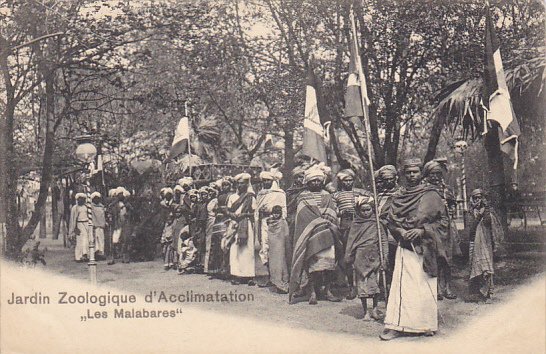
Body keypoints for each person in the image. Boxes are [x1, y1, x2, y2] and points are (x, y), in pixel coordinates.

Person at [380, 158, 447, 341]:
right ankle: (397, 325)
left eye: (415, 172)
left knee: (424, 285)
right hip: (405, 246)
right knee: (403, 285)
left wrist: (422, 230)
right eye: (408, 172)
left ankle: (425, 324)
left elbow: (443, 222)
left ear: (421, 173)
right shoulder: (398, 196)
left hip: (425, 246)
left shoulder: (431, 194)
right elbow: (389, 220)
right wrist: (400, 231)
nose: (411, 175)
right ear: (403, 174)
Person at [289, 165, 342, 305]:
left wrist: (327, 223)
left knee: (329, 264)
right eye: (312, 181)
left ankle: (327, 290)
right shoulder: (303, 196)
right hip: (311, 235)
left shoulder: (327, 196)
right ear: (308, 182)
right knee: (312, 265)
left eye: (318, 181)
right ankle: (312, 292)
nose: (316, 183)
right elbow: (303, 217)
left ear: (322, 181)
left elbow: (332, 213)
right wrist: (316, 223)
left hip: (327, 233)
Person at [344, 195, 388, 321]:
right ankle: (365, 312)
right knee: (362, 286)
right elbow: (351, 242)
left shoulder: (377, 224)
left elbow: (383, 241)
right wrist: (348, 256)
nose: (366, 212)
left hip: (374, 257)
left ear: (372, 209)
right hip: (360, 258)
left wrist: (384, 257)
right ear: (358, 210)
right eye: (363, 210)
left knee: (374, 285)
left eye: (368, 209)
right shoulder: (356, 224)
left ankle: (374, 309)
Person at [422, 160, 461, 300]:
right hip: (432, 228)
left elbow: (453, 206)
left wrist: (448, 208)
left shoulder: (446, 189)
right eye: (432, 174)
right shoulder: (423, 189)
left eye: (438, 173)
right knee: (435, 258)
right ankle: (437, 288)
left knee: (447, 259)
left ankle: (448, 287)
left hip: (446, 227)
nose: (435, 177)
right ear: (427, 174)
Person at [332, 168, 369, 299]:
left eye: (350, 180)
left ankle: (364, 285)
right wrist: (341, 213)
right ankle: (351, 286)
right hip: (345, 225)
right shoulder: (336, 195)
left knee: (361, 254)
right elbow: (333, 211)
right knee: (348, 255)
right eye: (345, 180)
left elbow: (370, 203)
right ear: (341, 182)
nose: (348, 183)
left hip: (360, 225)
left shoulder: (360, 192)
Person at [467, 189, 505, 303]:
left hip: (486, 243)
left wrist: (486, 210)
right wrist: (478, 216)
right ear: (472, 199)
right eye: (475, 198)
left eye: (479, 197)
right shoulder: (470, 212)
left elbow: (489, 223)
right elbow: (472, 228)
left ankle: (488, 293)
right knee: (475, 266)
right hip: (474, 242)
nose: (477, 200)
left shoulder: (488, 211)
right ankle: (477, 293)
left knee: (486, 267)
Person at [255, 170, 287, 287]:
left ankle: (278, 278)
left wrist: (272, 213)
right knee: (265, 247)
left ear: (273, 181)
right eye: (264, 180)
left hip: (276, 224)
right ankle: (269, 275)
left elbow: (283, 210)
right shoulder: (260, 194)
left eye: (268, 180)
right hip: (263, 222)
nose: (266, 182)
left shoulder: (279, 193)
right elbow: (257, 210)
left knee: (276, 249)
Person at [227, 173, 257, 285]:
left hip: (246, 224)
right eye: (238, 184)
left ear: (247, 185)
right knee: (235, 250)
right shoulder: (232, 197)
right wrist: (233, 216)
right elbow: (228, 211)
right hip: (234, 224)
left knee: (247, 250)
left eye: (242, 184)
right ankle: (236, 275)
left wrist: (244, 215)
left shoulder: (250, 197)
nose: (240, 186)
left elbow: (254, 212)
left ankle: (248, 275)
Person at [375, 164, 399, 288]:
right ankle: (385, 286)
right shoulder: (379, 195)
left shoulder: (402, 193)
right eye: (386, 180)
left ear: (396, 178)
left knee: (396, 259)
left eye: (391, 179)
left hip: (396, 232)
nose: (389, 181)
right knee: (384, 259)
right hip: (381, 231)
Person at [265, 205, 290, 293]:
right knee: (274, 263)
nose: (276, 215)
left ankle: (283, 284)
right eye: (274, 213)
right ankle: (276, 283)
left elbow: (286, 235)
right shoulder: (270, 222)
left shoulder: (283, 222)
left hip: (281, 246)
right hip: (273, 247)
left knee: (282, 264)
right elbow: (269, 235)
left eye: (278, 213)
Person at [107, 187, 133, 265]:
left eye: (122, 194)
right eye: (119, 195)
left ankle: (124, 257)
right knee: (114, 241)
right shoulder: (113, 205)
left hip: (125, 224)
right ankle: (112, 258)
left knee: (125, 240)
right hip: (116, 225)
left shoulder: (127, 204)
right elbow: (110, 213)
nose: (121, 196)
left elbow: (132, 211)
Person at [68, 193, 91, 262]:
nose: (81, 200)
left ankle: (86, 255)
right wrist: (75, 228)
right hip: (79, 224)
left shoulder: (86, 207)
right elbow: (73, 219)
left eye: (82, 199)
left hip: (86, 224)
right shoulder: (75, 208)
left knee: (86, 240)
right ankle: (78, 257)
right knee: (79, 241)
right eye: (79, 199)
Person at [160, 188, 177, 270]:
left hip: (172, 223)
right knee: (167, 244)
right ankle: (167, 262)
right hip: (167, 223)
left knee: (172, 244)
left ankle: (172, 262)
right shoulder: (163, 204)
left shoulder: (173, 203)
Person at [90, 192, 106, 260]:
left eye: (98, 198)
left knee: (101, 240)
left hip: (101, 226)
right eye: (95, 198)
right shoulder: (91, 207)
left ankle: (101, 253)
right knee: (95, 240)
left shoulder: (102, 206)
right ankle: (95, 253)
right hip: (95, 226)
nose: (97, 200)